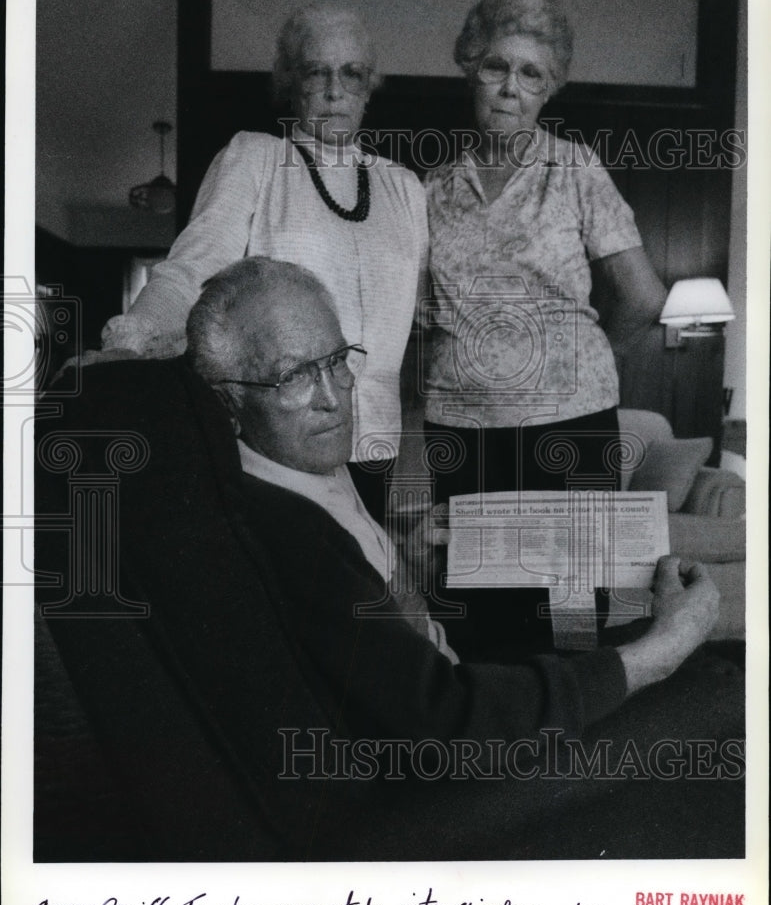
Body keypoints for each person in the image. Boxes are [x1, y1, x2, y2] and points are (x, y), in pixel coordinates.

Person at [185, 254, 720, 745]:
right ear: (226, 404)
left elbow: (380, 641)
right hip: (453, 757)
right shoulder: (290, 529)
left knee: (670, 653)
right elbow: (443, 718)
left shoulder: (309, 468)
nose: (333, 398)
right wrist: (659, 654)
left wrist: (410, 569)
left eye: (336, 360)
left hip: (459, 680)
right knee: (704, 693)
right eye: (293, 376)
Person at [100, 5, 428, 523]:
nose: (334, 90)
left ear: (369, 88)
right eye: (317, 71)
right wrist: (129, 343)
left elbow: (422, 322)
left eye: (352, 74)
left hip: (376, 444)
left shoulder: (404, 187)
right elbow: (191, 270)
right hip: (281, 432)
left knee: (361, 589)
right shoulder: (255, 159)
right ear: (290, 83)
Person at [421, 0, 669, 660]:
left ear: (550, 88)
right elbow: (415, 316)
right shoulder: (432, 190)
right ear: (471, 68)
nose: (509, 88)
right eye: (496, 66)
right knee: (477, 615)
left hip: (568, 423)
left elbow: (644, 295)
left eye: (530, 74)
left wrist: (581, 361)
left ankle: (563, 752)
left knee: (569, 613)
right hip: (464, 428)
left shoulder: (575, 171)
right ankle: (488, 749)